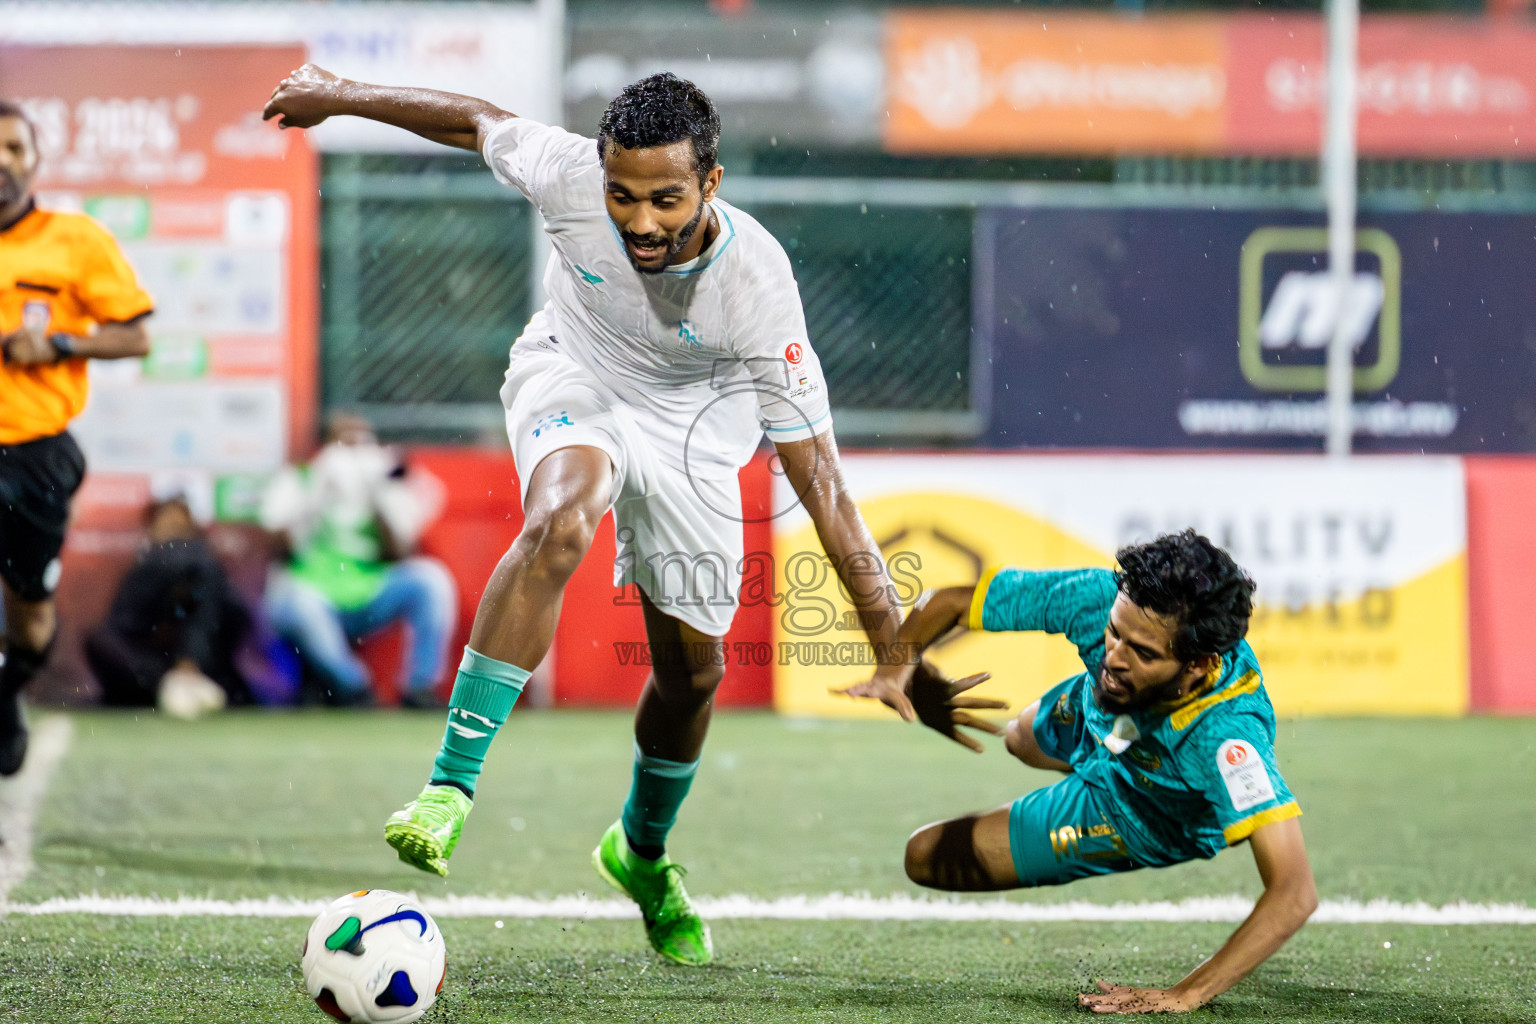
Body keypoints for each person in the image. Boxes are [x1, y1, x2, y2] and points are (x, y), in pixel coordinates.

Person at [263, 67, 915, 966]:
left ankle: (641, 857)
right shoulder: (570, 173)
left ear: (711, 183)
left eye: (666, 199)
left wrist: (890, 639)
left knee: (693, 677)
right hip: (575, 375)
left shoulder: (759, 286)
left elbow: (825, 487)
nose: (640, 221)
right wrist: (337, 94)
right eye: (622, 196)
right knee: (561, 518)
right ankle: (448, 790)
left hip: (694, 434)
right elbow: (476, 121)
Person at [864, 530, 1317, 1015]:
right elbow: (951, 601)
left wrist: (1186, 992)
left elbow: (1294, 893)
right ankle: (1101, 747)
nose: (1114, 657)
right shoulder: (1102, 603)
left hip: (1142, 812)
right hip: (1101, 713)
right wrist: (895, 669)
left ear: (1199, 665)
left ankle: (1092, 782)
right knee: (1018, 737)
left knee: (924, 857)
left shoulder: (1228, 740)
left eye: (1143, 652)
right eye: (1114, 632)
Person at [0, 99, 154, 775]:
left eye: (13, 148)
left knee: (30, 616)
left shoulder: (75, 240)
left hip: (34, 455)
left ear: (34, 160)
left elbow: (136, 334)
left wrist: (57, 343)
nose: (2, 162)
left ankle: (6, 693)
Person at [259, 411, 456, 709]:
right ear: (325, 447)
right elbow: (278, 546)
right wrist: (317, 492)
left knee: (431, 580)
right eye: (345, 444)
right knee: (297, 602)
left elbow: (400, 551)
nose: (353, 455)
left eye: (362, 445)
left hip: (370, 590)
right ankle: (355, 689)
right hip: (314, 592)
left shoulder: (386, 485)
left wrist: (375, 495)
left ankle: (419, 688)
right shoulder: (299, 479)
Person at [84, 495, 253, 717]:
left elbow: (227, 617)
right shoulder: (145, 566)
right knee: (100, 640)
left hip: (206, 665)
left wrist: (189, 661)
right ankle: (171, 687)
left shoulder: (206, 565)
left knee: (199, 593)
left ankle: (188, 679)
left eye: (178, 523)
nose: (172, 531)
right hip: (153, 669)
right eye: (165, 521)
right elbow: (122, 626)